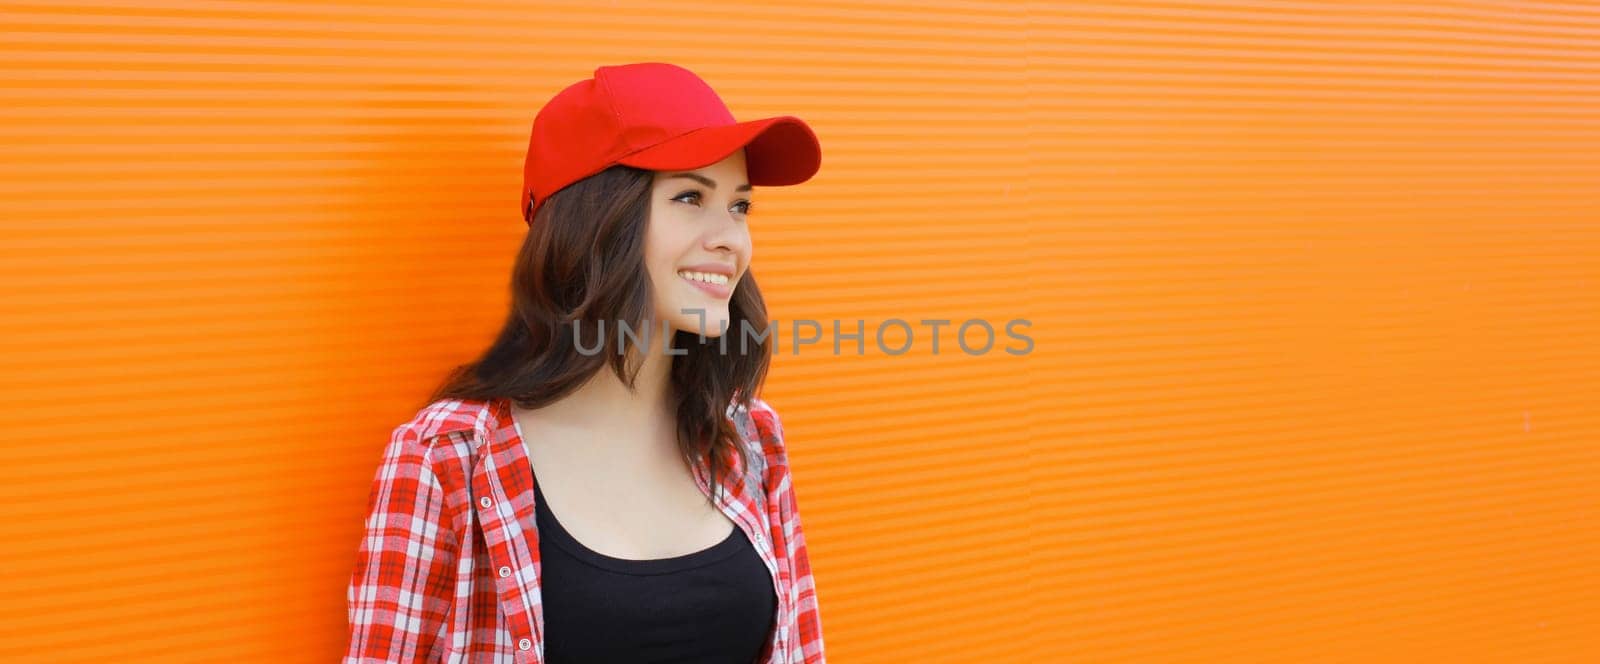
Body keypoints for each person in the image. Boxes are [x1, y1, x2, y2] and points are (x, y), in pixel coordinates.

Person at [342, 62, 827, 663]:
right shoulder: (448, 460)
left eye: (740, 206)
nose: (732, 239)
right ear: (594, 223)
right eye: (689, 197)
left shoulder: (748, 438)